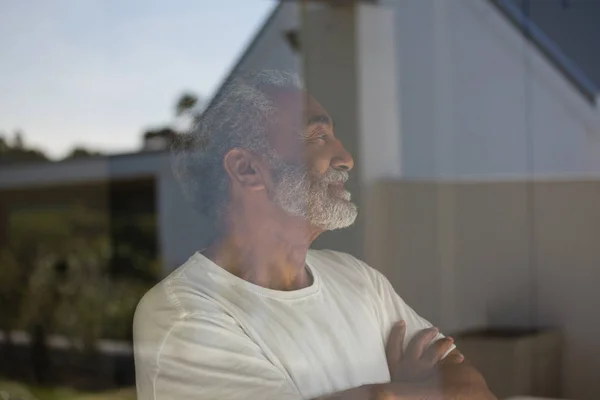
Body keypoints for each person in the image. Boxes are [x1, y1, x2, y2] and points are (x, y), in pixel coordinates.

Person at [133, 71, 496, 400]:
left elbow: (476, 391)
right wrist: (408, 390)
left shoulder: (358, 279)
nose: (346, 159)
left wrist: (386, 395)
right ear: (247, 169)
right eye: (318, 137)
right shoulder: (184, 317)